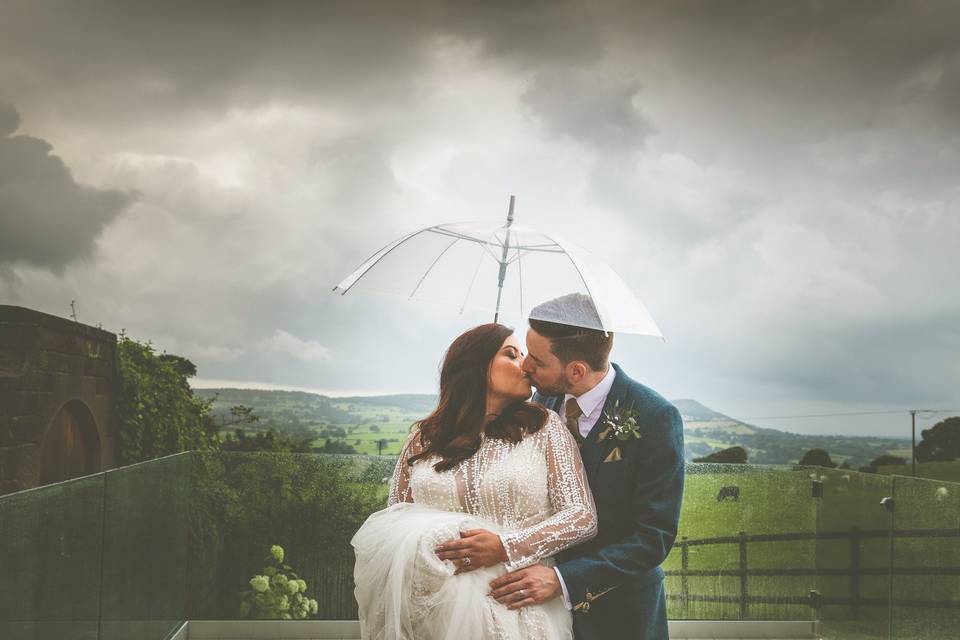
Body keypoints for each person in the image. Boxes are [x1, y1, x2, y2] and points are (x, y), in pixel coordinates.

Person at [351, 323, 598, 640]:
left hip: (514, 606)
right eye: (511, 354)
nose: (525, 364)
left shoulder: (544, 427)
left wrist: (506, 547)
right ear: (476, 365)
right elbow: (395, 522)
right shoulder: (422, 440)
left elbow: (581, 516)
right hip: (430, 612)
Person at [488, 293, 685, 639]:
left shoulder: (657, 417)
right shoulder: (541, 401)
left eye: (536, 360)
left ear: (576, 370)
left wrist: (563, 579)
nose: (525, 367)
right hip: (540, 611)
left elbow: (653, 537)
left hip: (622, 614)